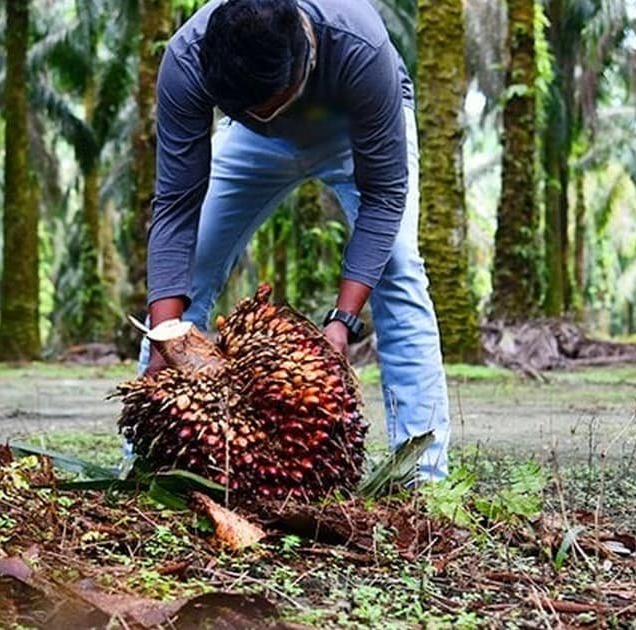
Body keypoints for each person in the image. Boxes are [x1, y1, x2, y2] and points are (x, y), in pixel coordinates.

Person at [136, 0, 450, 481]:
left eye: (269, 104)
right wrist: (166, 338)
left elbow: (385, 197)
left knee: (399, 269)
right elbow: (176, 205)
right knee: (187, 269)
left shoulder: (360, 46)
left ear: (305, 56)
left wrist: (342, 321)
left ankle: (423, 476)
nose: (263, 114)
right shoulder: (188, 59)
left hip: (355, 128)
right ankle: (148, 465)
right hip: (252, 144)